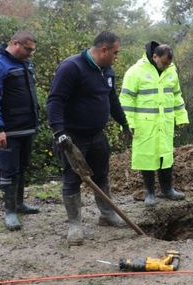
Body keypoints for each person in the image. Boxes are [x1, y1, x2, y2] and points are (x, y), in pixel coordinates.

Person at [47, 31, 133, 246]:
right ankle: (75, 224)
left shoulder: (107, 71)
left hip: (97, 135)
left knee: (102, 175)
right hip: (73, 137)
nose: (116, 56)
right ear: (103, 49)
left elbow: (112, 100)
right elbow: (55, 101)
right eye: (115, 52)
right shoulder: (71, 67)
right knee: (72, 179)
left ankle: (106, 214)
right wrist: (59, 132)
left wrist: (124, 123)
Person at [0, 31, 40, 231]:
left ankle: (19, 204)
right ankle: (10, 212)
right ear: (15, 43)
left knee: (21, 168)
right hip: (6, 131)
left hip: (26, 128)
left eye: (32, 50)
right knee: (9, 171)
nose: (30, 53)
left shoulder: (24, 64)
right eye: (28, 49)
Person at [119, 41, 189, 206]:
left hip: (164, 123)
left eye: (169, 63)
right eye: (164, 63)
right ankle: (149, 192)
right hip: (144, 124)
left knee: (166, 156)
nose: (166, 66)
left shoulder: (171, 71)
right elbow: (126, 98)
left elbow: (177, 95)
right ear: (154, 56)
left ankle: (167, 190)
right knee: (147, 157)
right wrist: (127, 123)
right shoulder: (136, 72)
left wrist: (181, 117)